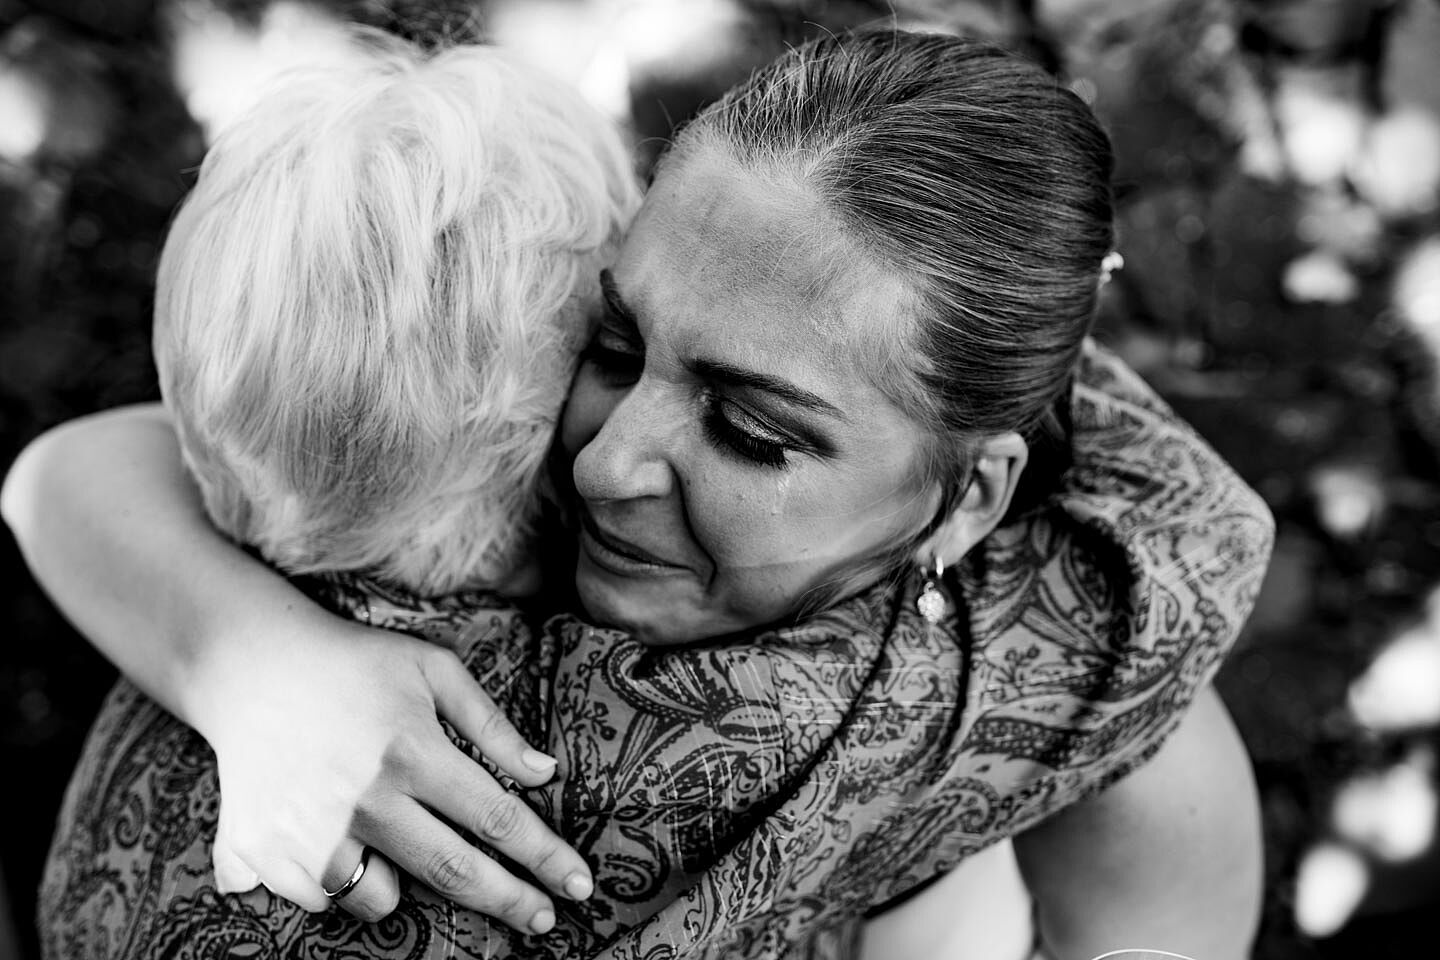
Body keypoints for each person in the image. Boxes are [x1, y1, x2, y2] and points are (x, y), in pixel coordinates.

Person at [3, 26, 1272, 960]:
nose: (607, 464)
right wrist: (252, 661)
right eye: (611, 343)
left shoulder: (1009, 665)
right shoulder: (1055, 641)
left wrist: (240, 652)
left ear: (972, 497)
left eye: (751, 428)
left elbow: (66, 470)